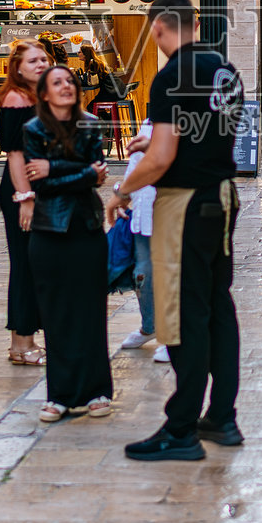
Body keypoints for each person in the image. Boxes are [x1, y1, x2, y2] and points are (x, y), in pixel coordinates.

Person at [107, 0, 244, 461]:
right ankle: (222, 417)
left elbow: (164, 158)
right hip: (223, 198)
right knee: (218, 308)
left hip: (185, 204)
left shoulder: (170, 77)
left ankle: (181, 427)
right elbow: (197, 134)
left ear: (158, 27)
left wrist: (122, 191)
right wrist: (158, 141)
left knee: (182, 315)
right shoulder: (224, 70)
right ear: (196, 22)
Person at [22, 66, 114, 422]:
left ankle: (97, 391)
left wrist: (57, 169)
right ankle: (58, 395)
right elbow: (41, 184)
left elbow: (96, 174)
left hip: (87, 227)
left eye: (70, 81)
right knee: (56, 313)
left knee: (90, 311)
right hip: (48, 230)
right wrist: (82, 173)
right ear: (44, 94)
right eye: (57, 82)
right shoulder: (33, 129)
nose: (66, 86)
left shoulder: (91, 124)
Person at [0, 39, 50, 366]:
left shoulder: (39, 96)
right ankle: (20, 343)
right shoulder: (16, 98)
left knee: (35, 263)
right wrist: (25, 197)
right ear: (17, 68)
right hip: (20, 189)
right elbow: (14, 154)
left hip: (37, 187)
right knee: (25, 264)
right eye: (33, 61)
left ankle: (24, 339)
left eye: (43, 59)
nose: (41, 64)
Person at [117, 118, 168, 363]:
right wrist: (123, 193)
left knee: (170, 274)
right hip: (143, 207)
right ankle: (150, 326)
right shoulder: (150, 121)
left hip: (171, 206)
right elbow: (136, 163)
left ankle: (173, 336)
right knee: (142, 273)